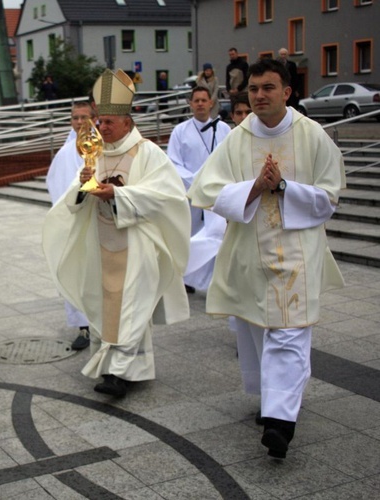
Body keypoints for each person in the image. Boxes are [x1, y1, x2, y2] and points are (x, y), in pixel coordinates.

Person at [188, 58, 346, 459]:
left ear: (287, 92)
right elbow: (208, 188)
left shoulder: (313, 136)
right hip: (252, 255)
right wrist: (254, 187)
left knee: (289, 332)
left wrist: (286, 186)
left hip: (298, 256)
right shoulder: (239, 138)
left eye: (268, 88)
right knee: (260, 331)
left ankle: (280, 423)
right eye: (254, 89)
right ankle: (273, 402)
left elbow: (328, 198)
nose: (258, 95)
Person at [43, 69, 190, 397]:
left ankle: (120, 374)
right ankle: (109, 366)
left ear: (127, 121)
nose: (101, 127)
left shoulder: (147, 152)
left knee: (131, 306)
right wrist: (84, 185)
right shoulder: (94, 153)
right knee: (103, 303)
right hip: (100, 242)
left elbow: (169, 197)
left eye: (108, 122)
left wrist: (120, 195)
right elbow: (72, 198)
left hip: (136, 244)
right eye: (100, 121)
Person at [167, 86, 231, 292]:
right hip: (191, 191)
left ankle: (217, 277)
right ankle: (189, 277)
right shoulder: (180, 131)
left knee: (217, 234)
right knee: (191, 233)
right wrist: (196, 182)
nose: (201, 104)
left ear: (211, 103)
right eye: (197, 100)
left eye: (204, 100)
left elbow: (230, 158)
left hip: (217, 192)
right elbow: (173, 162)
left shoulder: (223, 130)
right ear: (191, 104)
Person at [45, 101, 96, 350]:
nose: (79, 122)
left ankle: (101, 323)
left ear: (94, 120)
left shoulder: (104, 149)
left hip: (98, 222)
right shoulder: (65, 155)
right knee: (73, 274)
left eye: (84, 117)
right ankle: (83, 327)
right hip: (72, 222)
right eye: (75, 118)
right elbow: (56, 187)